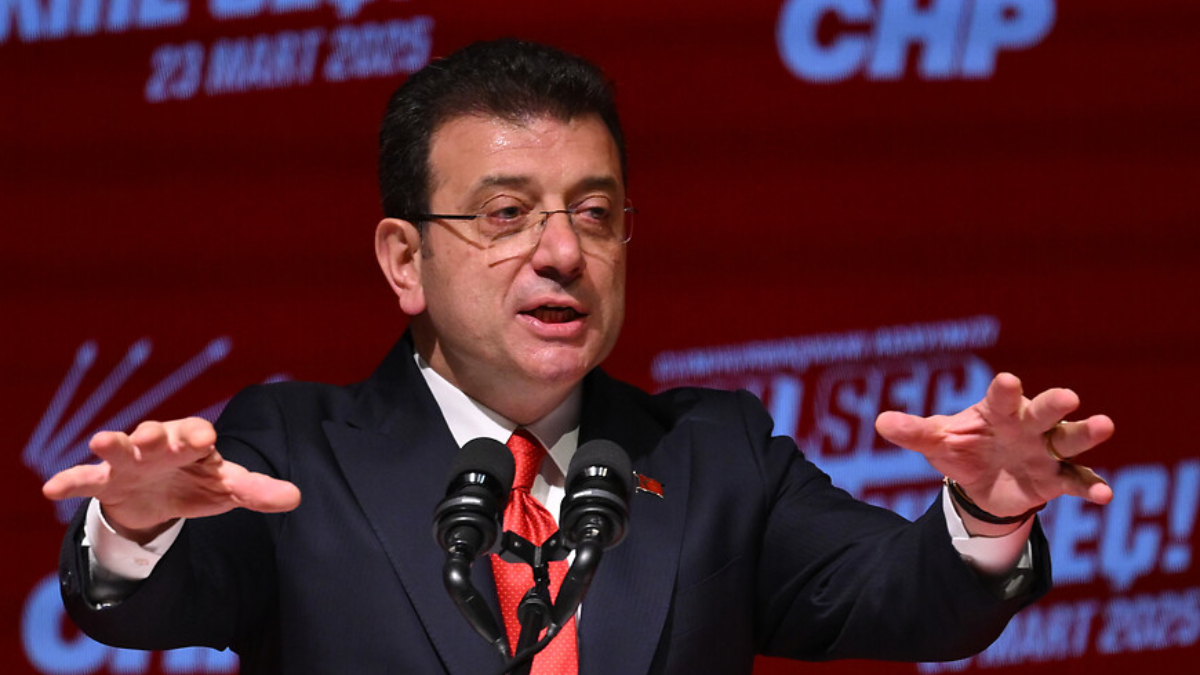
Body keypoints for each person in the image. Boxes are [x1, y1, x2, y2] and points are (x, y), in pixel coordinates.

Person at [43, 39, 1114, 675]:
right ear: (406, 259)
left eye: (595, 213)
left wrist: (988, 516)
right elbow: (154, 603)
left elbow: (905, 598)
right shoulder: (295, 452)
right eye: (506, 214)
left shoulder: (712, 454)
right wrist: (134, 529)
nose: (563, 252)